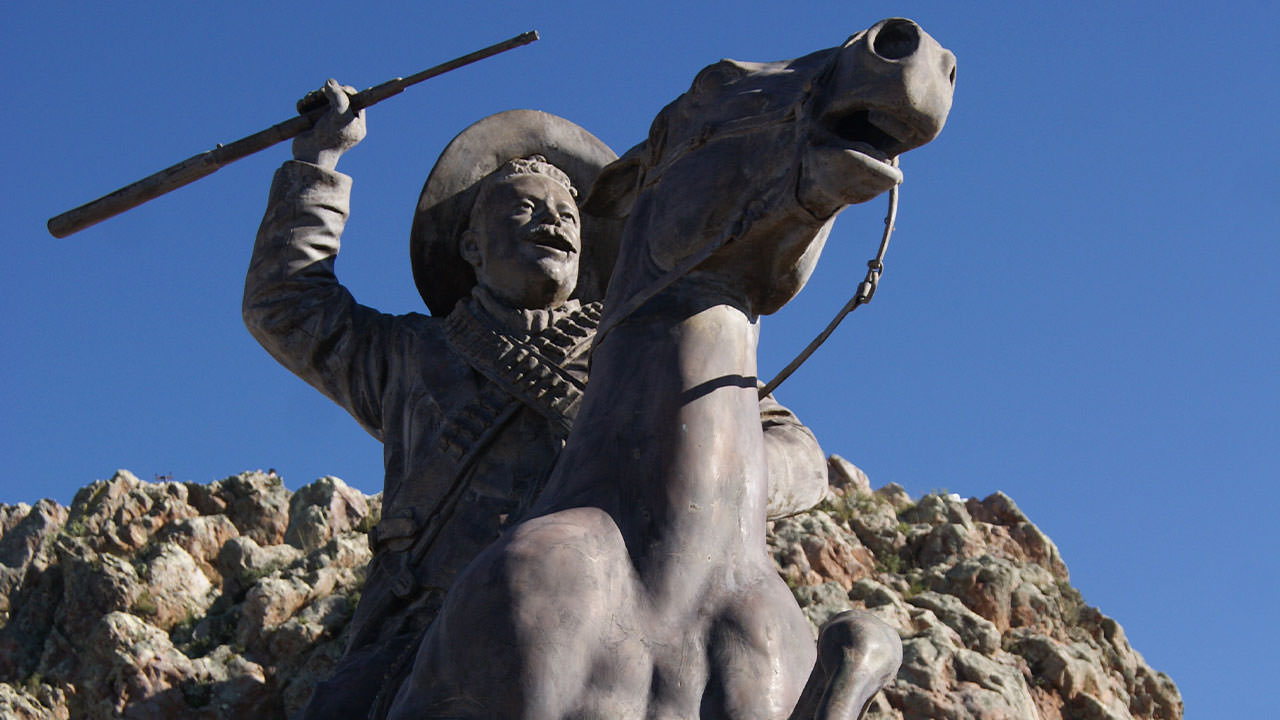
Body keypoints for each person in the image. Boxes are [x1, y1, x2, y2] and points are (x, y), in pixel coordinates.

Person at [243, 80, 828, 718]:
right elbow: (286, 304)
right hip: (430, 628)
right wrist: (319, 162)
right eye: (524, 208)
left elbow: (799, 454)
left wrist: (713, 490)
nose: (553, 221)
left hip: (632, 613)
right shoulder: (409, 354)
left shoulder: (650, 348)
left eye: (568, 215)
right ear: (471, 245)